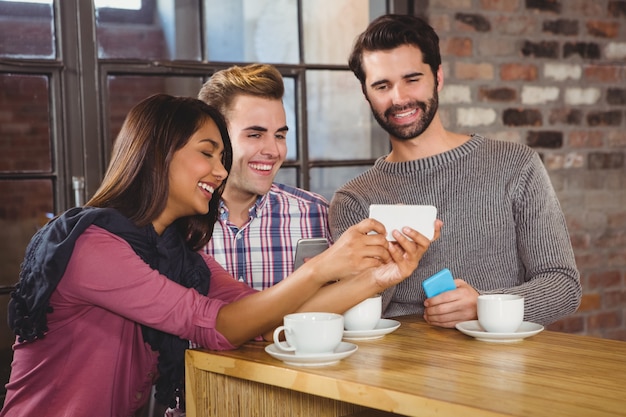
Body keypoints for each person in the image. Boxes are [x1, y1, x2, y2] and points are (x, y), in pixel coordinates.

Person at [1, 93, 439, 417]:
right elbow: (215, 326)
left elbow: (265, 321)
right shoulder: (93, 246)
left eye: (223, 158)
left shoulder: (180, 256)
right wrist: (322, 268)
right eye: (207, 153)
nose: (220, 171)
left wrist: (377, 278)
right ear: (158, 152)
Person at [329, 14, 581, 328]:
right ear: (366, 95)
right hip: (397, 371)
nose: (399, 98)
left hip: (501, 368)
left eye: (412, 79)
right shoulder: (354, 200)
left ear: (438, 77)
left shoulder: (515, 164)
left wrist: (484, 306)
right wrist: (388, 262)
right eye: (382, 85)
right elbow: (352, 317)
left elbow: (563, 286)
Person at [197, 64, 332, 290]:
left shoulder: (315, 214)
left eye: (279, 135)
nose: (273, 150)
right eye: (255, 134)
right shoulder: (178, 221)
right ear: (214, 137)